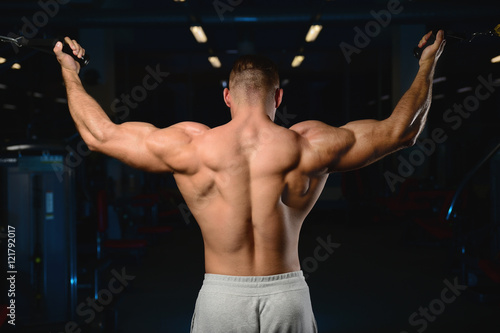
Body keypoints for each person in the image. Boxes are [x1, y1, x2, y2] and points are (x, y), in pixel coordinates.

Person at [54, 30, 445, 333]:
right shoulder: (309, 144)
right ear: (278, 97)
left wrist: (70, 71)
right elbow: (400, 132)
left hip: (221, 297)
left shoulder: (192, 145)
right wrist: (428, 61)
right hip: (288, 294)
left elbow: (99, 134)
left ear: (227, 96)